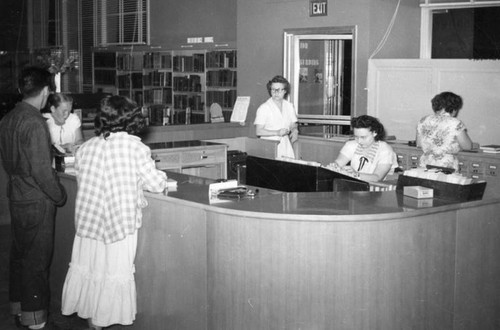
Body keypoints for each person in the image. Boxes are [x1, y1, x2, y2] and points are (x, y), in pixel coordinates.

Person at [61, 95, 168, 330]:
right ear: (131, 119)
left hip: (89, 222)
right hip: (119, 221)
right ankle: (103, 319)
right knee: (113, 271)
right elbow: (156, 184)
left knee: (92, 269)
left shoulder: (87, 147)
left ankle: (93, 324)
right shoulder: (136, 147)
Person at [0, 66, 67, 330]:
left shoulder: (8, 119)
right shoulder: (35, 122)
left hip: (16, 196)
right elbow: (42, 171)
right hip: (36, 201)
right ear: (45, 91)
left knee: (20, 257)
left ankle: (19, 310)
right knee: (37, 262)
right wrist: (59, 195)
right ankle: (37, 321)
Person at [330, 115, 398, 182]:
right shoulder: (351, 145)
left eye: (363, 137)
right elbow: (338, 163)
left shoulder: (385, 150)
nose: (359, 141)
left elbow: (377, 177)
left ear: (374, 133)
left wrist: (356, 175)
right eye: (356, 137)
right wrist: (334, 167)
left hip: (375, 189)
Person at [417, 91, 473, 171]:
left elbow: (419, 144)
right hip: (446, 165)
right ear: (453, 108)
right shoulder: (455, 123)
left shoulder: (423, 120)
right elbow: (467, 146)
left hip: (426, 163)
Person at [254, 75, 298, 159]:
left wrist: (294, 129)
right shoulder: (264, 108)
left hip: (285, 145)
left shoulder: (289, 106)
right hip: (269, 146)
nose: (276, 93)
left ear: (285, 91)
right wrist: (277, 132)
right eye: (273, 90)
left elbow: (293, 123)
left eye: (279, 90)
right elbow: (258, 131)